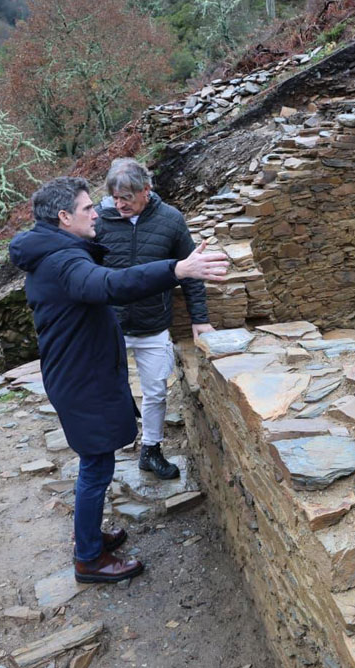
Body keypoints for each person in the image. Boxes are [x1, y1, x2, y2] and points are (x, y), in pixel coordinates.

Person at [9, 176, 230, 583]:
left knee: (98, 462)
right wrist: (176, 269)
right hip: (81, 380)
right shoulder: (63, 262)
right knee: (95, 467)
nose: (97, 212)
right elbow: (110, 284)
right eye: (87, 208)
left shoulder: (56, 250)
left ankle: (90, 537)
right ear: (63, 217)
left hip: (80, 372)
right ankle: (89, 560)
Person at [94, 158, 213, 480]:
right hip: (107, 325)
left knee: (156, 390)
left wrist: (199, 319)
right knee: (103, 390)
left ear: (146, 191)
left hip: (152, 325)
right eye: (115, 198)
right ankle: (101, 454)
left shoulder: (170, 220)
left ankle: (151, 450)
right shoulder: (97, 223)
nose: (119, 205)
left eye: (127, 199)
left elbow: (192, 270)